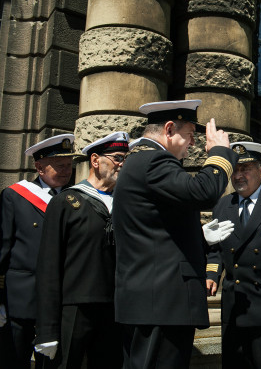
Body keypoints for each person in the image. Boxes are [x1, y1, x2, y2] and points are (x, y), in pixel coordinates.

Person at [112, 100, 238, 369]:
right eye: (190, 135)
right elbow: (202, 192)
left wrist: (200, 238)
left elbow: (157, 231)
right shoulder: (153, 160)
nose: (192, 143)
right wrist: (219, 152)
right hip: (160, 302)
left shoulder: (142, 161)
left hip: (155, 300)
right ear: (169, 129)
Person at [35, 131, 129, 368]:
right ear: (95, 161)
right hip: (75, 308)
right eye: (118, 157)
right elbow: (49, 267)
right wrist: (46, 330)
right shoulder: (66, 203)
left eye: (126, 158)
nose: (123, 164)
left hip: (114, 309)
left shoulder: (125, 204)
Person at [206, 141, 261, 369]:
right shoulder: (222, 205)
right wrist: (211, 274)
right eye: (235, 169)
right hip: (235, 305)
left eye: (245, 169)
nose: (238, 175)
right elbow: (216, 248)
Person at [0, 134, 77, 369]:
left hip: (59, 301)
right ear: (39, 167)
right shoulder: (15, 196)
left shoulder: (75, 198)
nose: (67, 171)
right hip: (21, 300)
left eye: (69, 165)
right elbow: (3, 247)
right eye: (60, 165)